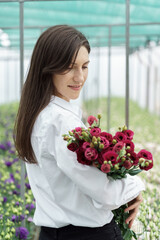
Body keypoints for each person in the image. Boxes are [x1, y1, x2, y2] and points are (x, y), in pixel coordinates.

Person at [14, 25, 145, 240]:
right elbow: (104, 191)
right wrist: (134, 188)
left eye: (84, 66)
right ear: (48, 68)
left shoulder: (38, 113)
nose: (80, 77)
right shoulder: (60, 121)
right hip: (86, 234)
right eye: (69, 67)